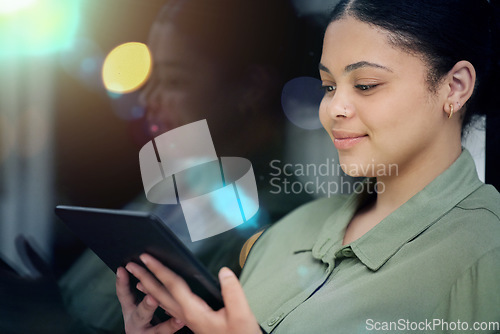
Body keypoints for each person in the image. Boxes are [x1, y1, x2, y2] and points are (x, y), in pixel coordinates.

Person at [116, 0, 500, 333]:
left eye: (366, 85)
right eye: (329, 86)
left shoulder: (487, 253)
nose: (333, 109)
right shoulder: (286, 234)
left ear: (455, 87)